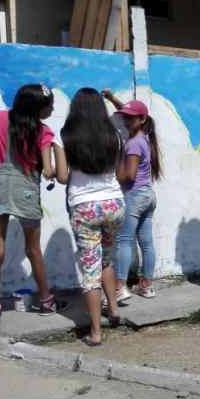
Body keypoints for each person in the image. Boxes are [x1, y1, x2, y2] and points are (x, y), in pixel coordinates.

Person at [0, 84, 67, 327]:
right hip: (27, 190)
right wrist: (57, 157)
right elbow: (49, 171)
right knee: (33, 249)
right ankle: (47, 301)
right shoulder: (44, 132)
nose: (53, 108)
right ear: (38, 108)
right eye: (49, 105)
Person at [53, 88, 125, 346]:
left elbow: (62, 177)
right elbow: (118, 172)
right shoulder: (114, 135)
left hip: (84, 207)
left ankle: (95, 332)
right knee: (107, 256)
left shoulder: (64, 137)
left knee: (90, 270)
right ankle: (114, 310)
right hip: (114, 204)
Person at [101, 95, 162, 305]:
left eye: (130, 118)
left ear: (142, 119)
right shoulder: (145, 138)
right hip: (148, 194)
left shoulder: (133, 144)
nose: (126, 121)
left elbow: (129, 176)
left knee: (124, 241)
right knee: (146, 242)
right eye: (124, 117)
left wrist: (117, 162)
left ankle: (119, 287)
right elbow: (132, 111)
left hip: (134, 195)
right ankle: (147, 285)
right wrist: (112, 99)